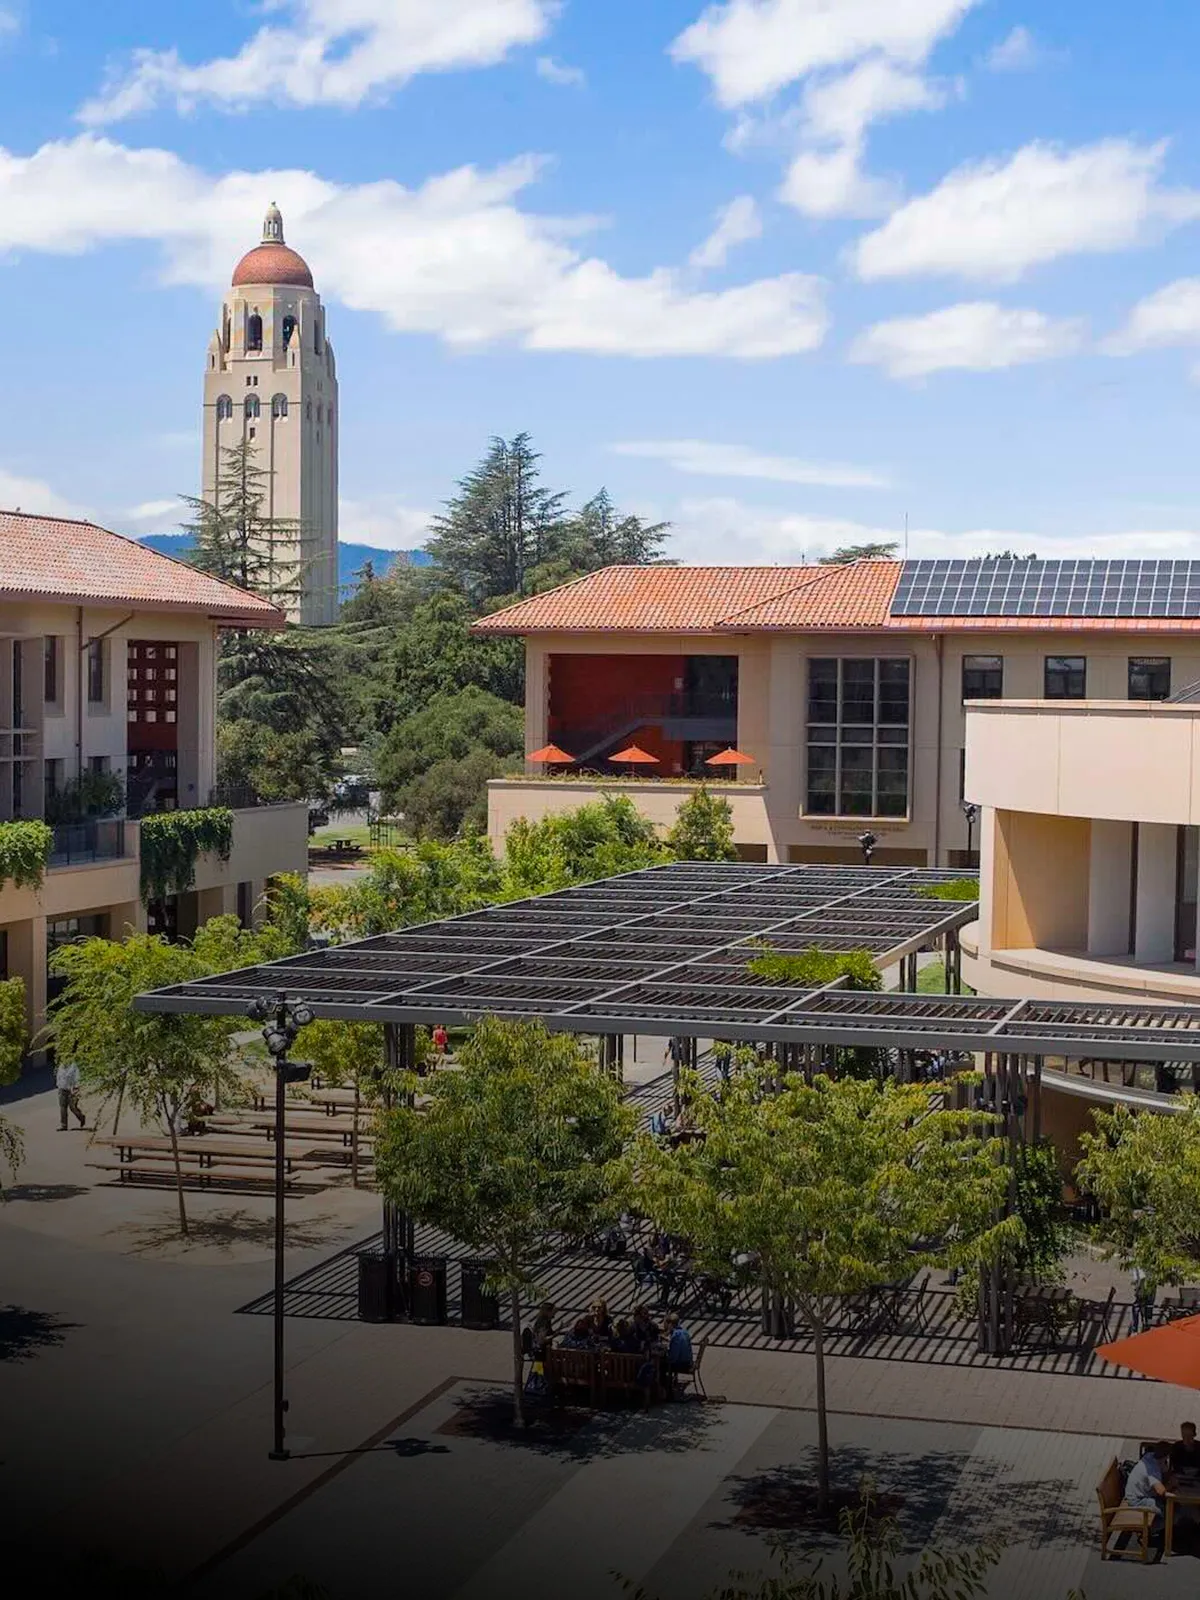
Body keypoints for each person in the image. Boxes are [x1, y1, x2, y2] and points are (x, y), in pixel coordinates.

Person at [1122, 1442, 1170, 1560]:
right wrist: (1171, 1485)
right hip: (1137, 1500)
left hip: (1137, 1493)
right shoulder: (1152, 1469)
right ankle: (1147, 1531)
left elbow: (1163, 1471)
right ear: (1165, 1456)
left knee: (1165, 1506)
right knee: (1167, 1513)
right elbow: (1161, 1491)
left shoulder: (1150, 1456)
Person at [663, 1312, 694, 1390]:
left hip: (682, 1365)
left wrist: (664, 1354)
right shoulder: (685, 1332)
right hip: (688, 1362)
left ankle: (665, 1388)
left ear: (670, 1324)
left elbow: (673, 1358)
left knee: (660, 1365)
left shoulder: (676, 1335)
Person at [55, 1060, 86, 1131]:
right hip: (62, 1089)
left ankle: (81, 1117)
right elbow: (58, 1076)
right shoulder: (61, 1066)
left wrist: (76, 1087)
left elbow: (77, 1077)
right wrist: (58, 1085)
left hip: (72, 1090)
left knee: (73, 1108)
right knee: (63, 1107)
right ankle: (64, 1125)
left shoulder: (73, 1066)